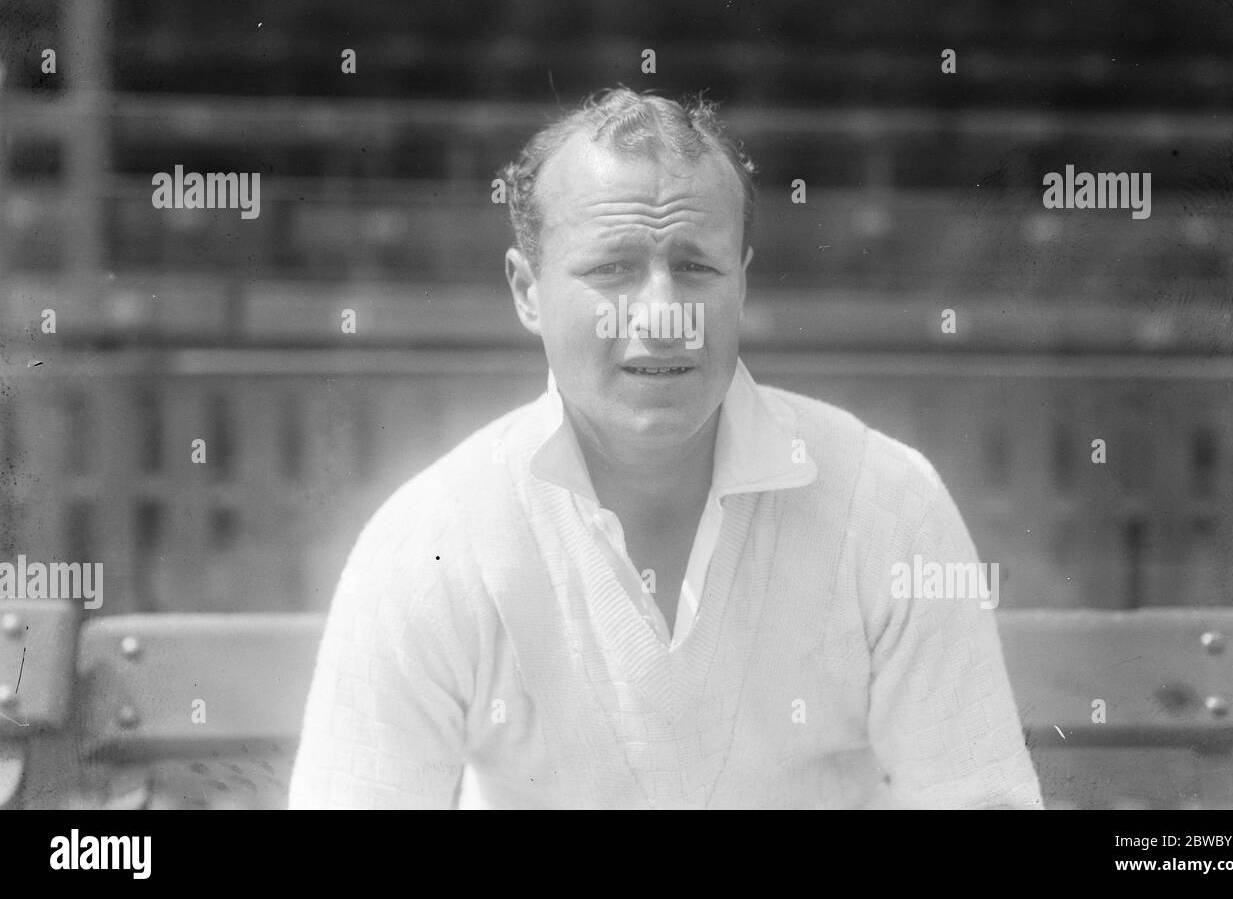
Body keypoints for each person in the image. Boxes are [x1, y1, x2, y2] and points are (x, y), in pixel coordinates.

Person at [288, 87, 1043, 809]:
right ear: (526, 290)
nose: (663, 315)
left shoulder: (885, 504)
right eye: (612, 268)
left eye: (695, 266)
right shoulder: (432, 543)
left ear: (741, 285)